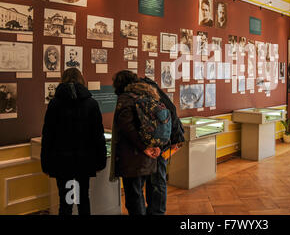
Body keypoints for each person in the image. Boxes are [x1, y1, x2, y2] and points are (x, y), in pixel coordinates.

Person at [40, 68, 106, 215]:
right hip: (84, 160)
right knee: (83, 198)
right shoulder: (91, 104)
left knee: (66, 200)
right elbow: (98, 136)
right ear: (81, 79)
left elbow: (48, 136)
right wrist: (100, 161)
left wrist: (45, 163)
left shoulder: (55, 104)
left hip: (62, 161)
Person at [109, 70, 163, 215]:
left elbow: (127, 128)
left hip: (132, 158)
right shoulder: (147, 95)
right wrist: (154, 146)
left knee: (134, 198)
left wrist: (145, 147)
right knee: (139, 193)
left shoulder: (125, 99)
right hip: (148, 157)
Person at [140, 76, 185, 215]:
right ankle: (154, 209)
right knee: (155, 178)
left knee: (158, 179)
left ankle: (157, 211)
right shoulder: (160, 99)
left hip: (162, 146)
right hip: (166, 144)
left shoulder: (155, 102)